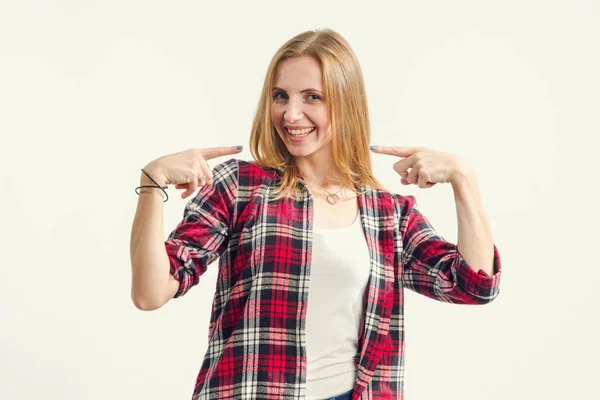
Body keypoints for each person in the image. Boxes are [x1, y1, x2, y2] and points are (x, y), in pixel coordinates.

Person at [130, 28, 502, 400]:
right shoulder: (240, 187)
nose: (291, 114)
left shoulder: (387, 214)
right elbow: (150, 293)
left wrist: (463, 179)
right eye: (281, 96)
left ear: (346, 103)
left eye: (313, 97)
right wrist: (152, 183)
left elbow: (474, 285)